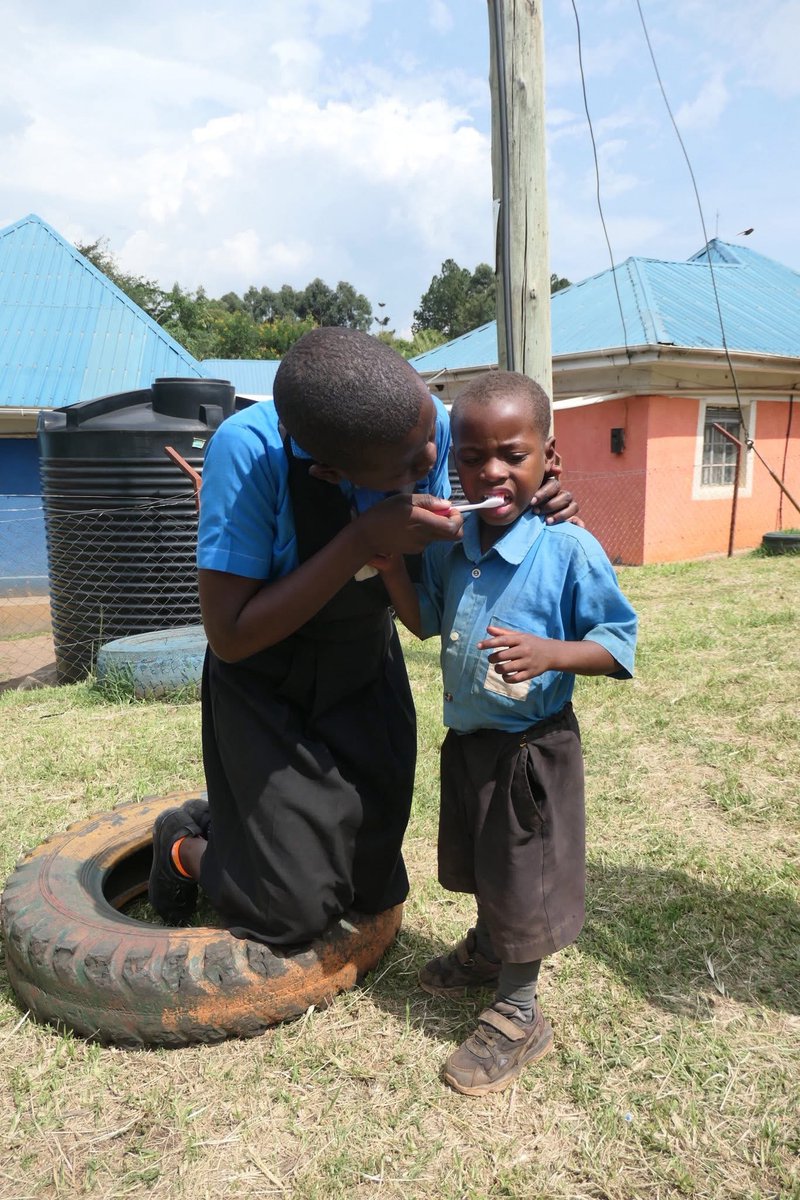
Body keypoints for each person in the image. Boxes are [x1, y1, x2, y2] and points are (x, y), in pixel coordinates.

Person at [148, 329, 577, 945]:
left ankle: (259, 825)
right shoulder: (247, 454)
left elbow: (505, 474)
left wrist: (541, 497)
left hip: (364, 660)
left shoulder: (429, 426)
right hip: (268, 680)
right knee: (290, 912)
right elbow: (230, 636)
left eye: (431, 432)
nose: (431, 459)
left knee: (371, 884)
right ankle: (186, 844)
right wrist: (360, 538)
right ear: (328, 471)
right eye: (404, 467)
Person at [374, 370, 637, 1097]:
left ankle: (519, 1011)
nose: (491, 472)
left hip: (532, 753)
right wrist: (392, 566)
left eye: (512, 455)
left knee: (524, 880)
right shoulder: (451, 542)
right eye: (471, 457)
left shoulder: (567, 549)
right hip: (470, 743)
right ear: (452, 461)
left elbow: (619, 644)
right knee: (486, 863)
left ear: (549, 458)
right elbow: (426, 620)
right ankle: (490, 950)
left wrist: (552, 652)